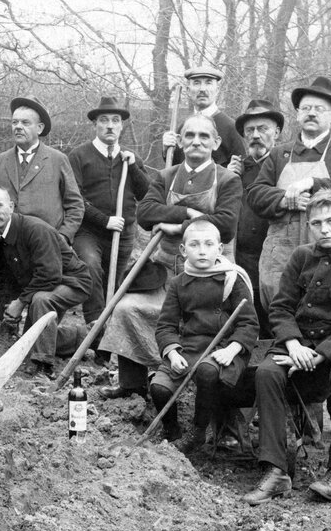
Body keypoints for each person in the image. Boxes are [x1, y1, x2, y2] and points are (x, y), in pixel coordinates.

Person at [242, 190, 331, 505]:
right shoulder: (301, 256)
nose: (324, 229)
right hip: (299, 342)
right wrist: (293, 344)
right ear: (309, 225)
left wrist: (318, 355)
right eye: (316, 223)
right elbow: (280, 308)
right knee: (267, 373)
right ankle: (276, 471)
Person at [98, 114, 241, 401]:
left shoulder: (228, 180)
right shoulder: (166, 176)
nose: (196, 142)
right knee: (127, 307)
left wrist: (179, 227)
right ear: (180, 142)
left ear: (216, 142)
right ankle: (132, 385)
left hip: (209, 281)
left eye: (203, 136)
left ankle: (211, 397)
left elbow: (225, 226)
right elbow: (145, 214)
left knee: (208, 327)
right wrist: (188, 213)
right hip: (165, 275)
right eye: (189, 136)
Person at [246, 76, 331, 311]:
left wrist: (312, 183)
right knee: (279, 309)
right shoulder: (279, 154)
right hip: (280, 251)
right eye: (306, 108)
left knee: (327, 309)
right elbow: (255, 194)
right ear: (298, 114)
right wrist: (284, 199)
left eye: (319, 109)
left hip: (328, 246)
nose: (312, 113)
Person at [151, 220, 258, 443]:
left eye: (209, 244)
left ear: (219, 249)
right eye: (195, 245)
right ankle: (172, 431)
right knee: (159, 387)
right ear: (183, 250)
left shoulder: (232, 278)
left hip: (226, 348)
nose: (202, 251)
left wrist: (231, 350)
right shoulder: (179, 283)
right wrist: (173, 353)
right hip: (189, 348)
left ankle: (198, 431)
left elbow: (249, 323)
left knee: (207, 372)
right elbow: (165, 325)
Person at [0, 187, 91, 377]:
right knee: (26, 335)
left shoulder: (35, 229)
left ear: (11, 206)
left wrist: (21, 302)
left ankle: (43, 365)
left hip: (71, 281)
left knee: (40, 300)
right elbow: (4, 280)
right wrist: (1, 319)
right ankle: (86, 336)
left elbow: (50, 274)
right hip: (40, 283)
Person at [67, 96, 150, 325]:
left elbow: (147, 195)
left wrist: (133, 167)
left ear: (122, 126)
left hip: (123, 234)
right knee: (91, 268)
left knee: (113, 285)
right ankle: (95, 329)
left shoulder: (130, 159)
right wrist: (104, 220)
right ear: (95, 125)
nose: (110, 125)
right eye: (104, 120)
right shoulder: (79, 156)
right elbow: (74, 199)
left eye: (115, 120)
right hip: (89, 232)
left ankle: (106, 343)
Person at [0, 95, 84, 244]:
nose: (18, 127)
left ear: (39, 128)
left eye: (25, 122)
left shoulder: (58, 159)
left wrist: (63, 236)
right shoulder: (1, 161)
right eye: (14, 122)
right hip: (9, 247)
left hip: (48, 244)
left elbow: (75, 205)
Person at [229, 99, 284, 337]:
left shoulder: (286, 165)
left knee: (274, 320)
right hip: (241, 259)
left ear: (277, 133)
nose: (256, 135)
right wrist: (228, 180)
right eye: (250, 130)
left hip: (275, 259)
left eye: (263, 129)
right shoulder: (234, 169)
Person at [163, 65, 245, 168]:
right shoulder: (182, 128)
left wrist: (227, 176)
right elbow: (175, 168)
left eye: (208, 83)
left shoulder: (232, 128)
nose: (202, 89)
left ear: (217, 89)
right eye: (196, 83)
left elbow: (241, 172)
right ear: (188, 90)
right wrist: (167, 149)